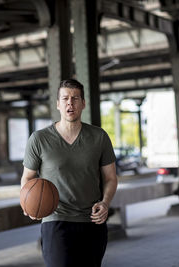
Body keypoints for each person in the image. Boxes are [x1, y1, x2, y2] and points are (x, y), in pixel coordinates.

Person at [21, 79, 118, 267]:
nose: (70, 103)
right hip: (56, 220)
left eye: (75, 98)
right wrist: (28, 204)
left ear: (83, 103)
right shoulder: (39, 139)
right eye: (65, 98)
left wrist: (105, 203)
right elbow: (28, 177)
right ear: (58, 104)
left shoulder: (99, 137)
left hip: (92, 221)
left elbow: (110, 178)